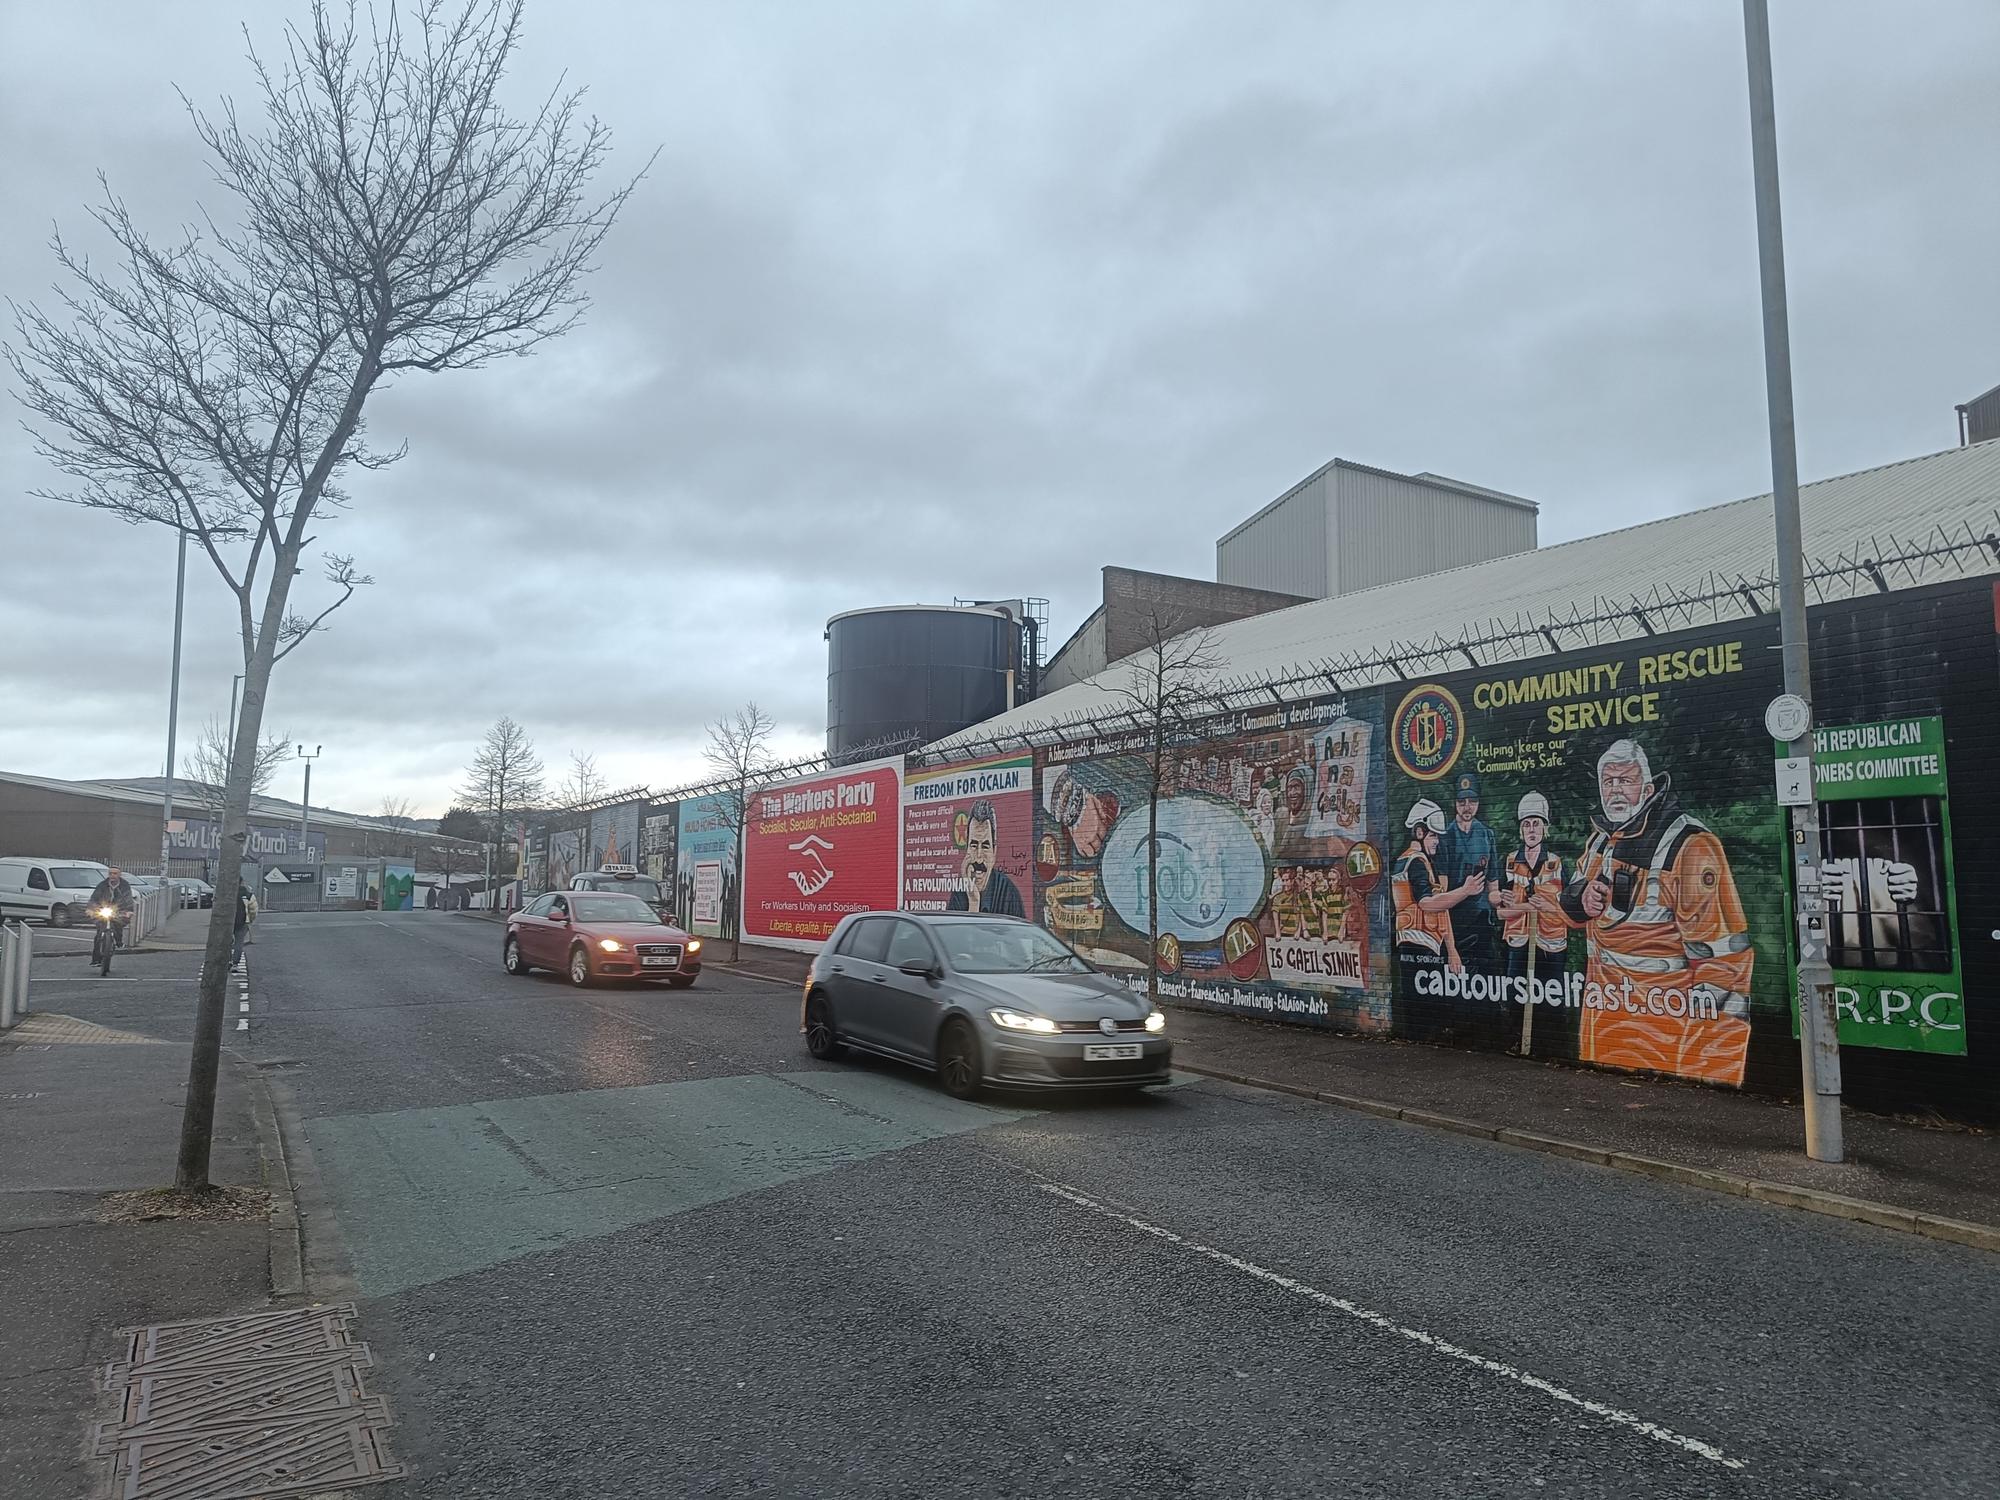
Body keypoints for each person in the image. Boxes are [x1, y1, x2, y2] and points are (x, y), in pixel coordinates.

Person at [1559, 738, 1754, 1086]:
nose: (1616, 790)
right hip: (1603, 1036)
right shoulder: (1602, 839)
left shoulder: (1691, 847)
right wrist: (1583, 898)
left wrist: (1711, 1075)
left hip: (1664, 1046)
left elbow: (1726, 969)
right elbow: (1570, 906)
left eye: (1626, 780)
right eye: (1608, 781)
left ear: (1648, 787)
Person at [1493, 791, 1571, 1050]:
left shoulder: (1557, 864)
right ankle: (1518, 1042)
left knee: (1550, 996)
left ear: (1545, 828)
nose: (1531, 829)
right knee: (1516, 994)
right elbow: (1501, 912)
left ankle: (1550, 1046)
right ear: (1520, 829)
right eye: (1526, 824)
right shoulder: (1510, 862)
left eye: (1536, 823)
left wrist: (1537, 906)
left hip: (1551, 942)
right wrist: (1526, 907)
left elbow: (1567, 909)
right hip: (1518, 940)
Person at [1436, 770, 1499, 977]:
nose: (1467, 806)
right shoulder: (1444, 838)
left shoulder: (1487, 835)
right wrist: (1450, 947)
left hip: (1482, 929)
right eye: (1462, 801)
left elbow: (1493, 889)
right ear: (1455, 803)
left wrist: (1507, 899)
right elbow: (1441, 897)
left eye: (1472, 801)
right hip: (1457, 927)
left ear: (1478, 803)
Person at [946, 799, 1025, 916]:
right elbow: (958, 934)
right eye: (973, 845)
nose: (978, 858)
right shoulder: (960, 892)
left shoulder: (1008, 893)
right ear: (966, 849)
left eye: (985, 846)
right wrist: (973, 902)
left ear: (994, 851)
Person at [86, 866, 136, 949]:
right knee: (99, 932)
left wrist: (129, 911)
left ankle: (119, 942)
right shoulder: (102, 885)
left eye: (115, 873)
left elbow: (128, 899)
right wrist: (90, 909)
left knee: (118, 925)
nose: (112, 875)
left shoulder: (124, 885)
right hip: (103, 909)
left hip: (119, 910)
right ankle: (95, 959)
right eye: (110, 873)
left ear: (120, 874)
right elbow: (94, 898)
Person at [232, 883, 253, 971]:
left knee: (226, 942)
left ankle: (227, 961)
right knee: (239, 943)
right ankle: (235, 964)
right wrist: (250, 920)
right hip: (243, 921)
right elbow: (253, 908)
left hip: (227, 922)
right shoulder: (247, 894)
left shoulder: (225, 892)